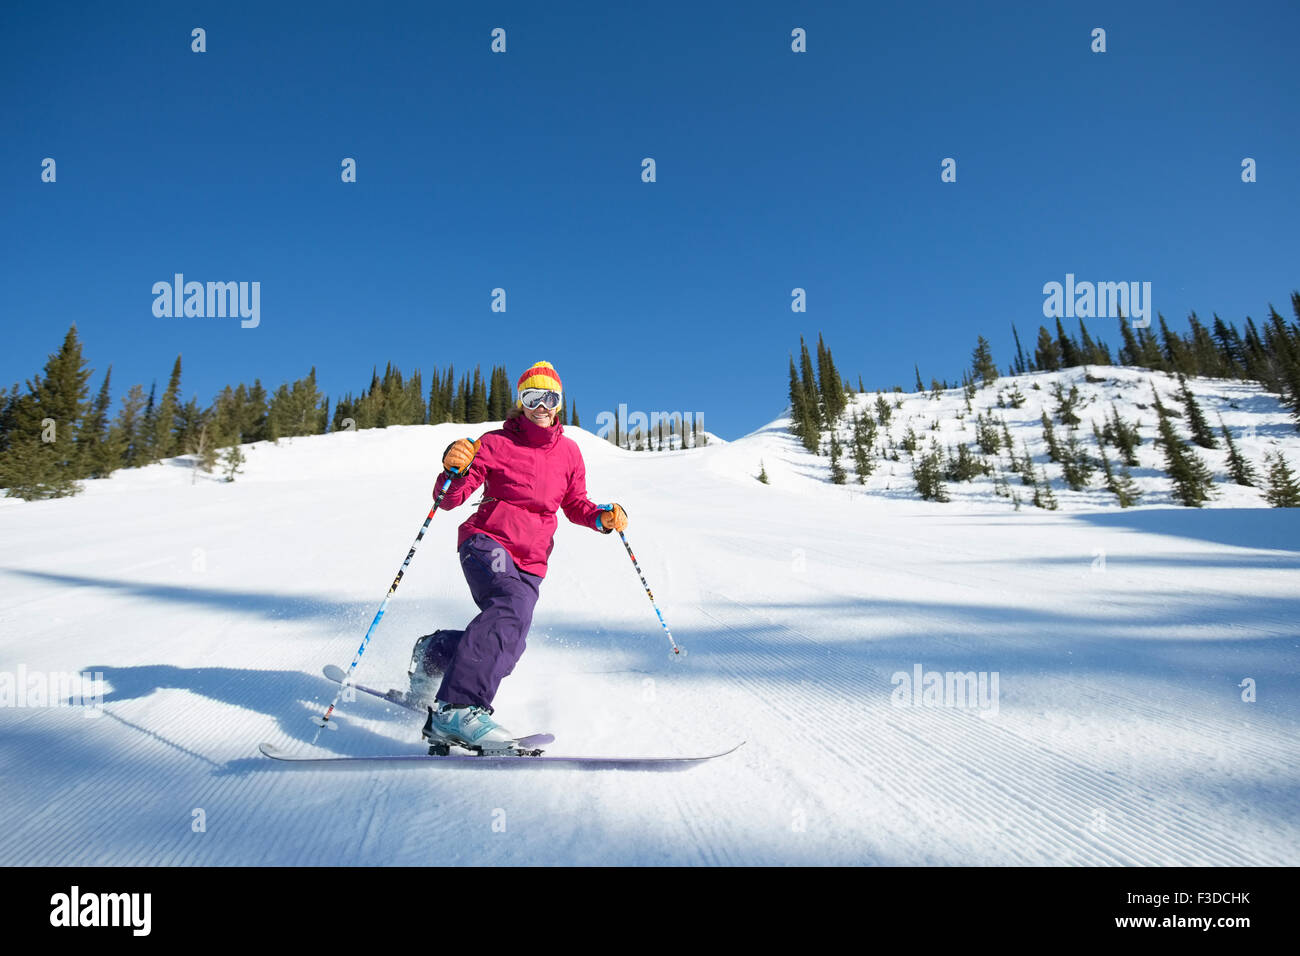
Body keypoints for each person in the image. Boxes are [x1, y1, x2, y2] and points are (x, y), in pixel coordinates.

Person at [408, 360, 628, 752]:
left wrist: (601, 518)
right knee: (508, 607)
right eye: (532, 397)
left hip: (532, 561)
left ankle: (436, 652)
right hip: (486, 543)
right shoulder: (494, 443)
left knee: (507, 644)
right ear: (520, 403)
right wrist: (453, 470)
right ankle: (456, 708)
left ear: (559, 404)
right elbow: (450, 499)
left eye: (550, 398)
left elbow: (575, 504)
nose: (541, 406)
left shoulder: (570, 453)